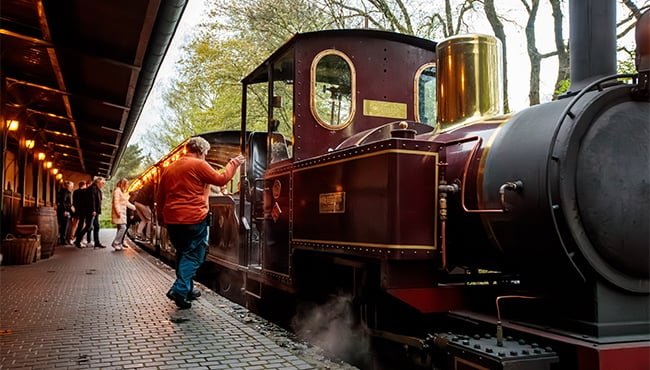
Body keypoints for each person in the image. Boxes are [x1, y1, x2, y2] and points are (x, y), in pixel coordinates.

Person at [157, 136, 244, 309]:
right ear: (201, 151)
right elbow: (221, 179)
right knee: (195, 255)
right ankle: (180, 289)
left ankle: (188, 289)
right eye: (206, 153)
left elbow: (160, 196)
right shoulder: (198, 164)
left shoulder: (170, 168)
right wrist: (234, 162)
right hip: (193, 217)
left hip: (173, 219)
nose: (206, 156)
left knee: (182, 253)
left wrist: (161, 218)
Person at [111, 178, 135, 251]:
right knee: (123, 228)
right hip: (119, 213)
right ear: (123, 184)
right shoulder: (117, 191)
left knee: (120, 228)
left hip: (122, 213)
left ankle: (118, 244)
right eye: (126, 184)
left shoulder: (122, 192)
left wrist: (134, 207)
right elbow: (116, 202)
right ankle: (116, 242)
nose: (127, 186)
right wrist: (118, 212)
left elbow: (126, 203)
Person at [56, 181, 74, 245]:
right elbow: (63, 202)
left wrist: (71, 206)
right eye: (71, 186)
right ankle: (62, 240)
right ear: (68, 186)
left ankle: (63, 239)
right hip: (64, 211)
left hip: (66, 210)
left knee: (64, 225)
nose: (72, 187)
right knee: (64, 225)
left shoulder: (66, 191)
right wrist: (65, 211)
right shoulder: (65, 192)